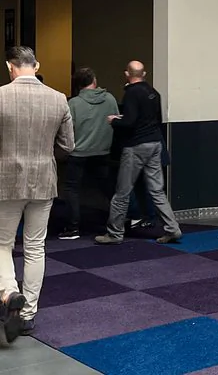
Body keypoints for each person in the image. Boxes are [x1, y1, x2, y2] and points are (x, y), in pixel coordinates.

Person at [0, 47, 74, 341]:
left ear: (10, 67)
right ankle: (28, 314)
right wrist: (45, 158)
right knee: (35, 247)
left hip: (6, 181)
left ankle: (9, 293)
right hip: (44, 180)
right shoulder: (58, 99)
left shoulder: (1, 96)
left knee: (3, 243)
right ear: (37, 65)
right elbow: (68, 146)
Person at [95, 61, 181, 245]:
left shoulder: (131, 93)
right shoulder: (153, 93)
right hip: (155, 143)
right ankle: (172, 228)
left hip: (136, 146)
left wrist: (114, 121)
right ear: (144, 73)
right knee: (157, 190)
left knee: (122, 192)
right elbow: (154, 119)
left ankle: (115, 233)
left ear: (127, 74)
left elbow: (130, 122)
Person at [59, 68, 120, 240]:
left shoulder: (73, 104)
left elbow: (67, 129)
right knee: (108, 187)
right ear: (94, 80)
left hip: (78, 152)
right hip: (103, 151)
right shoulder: (110, 99)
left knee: (72, 189)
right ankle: (119, 220)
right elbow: (117, 122)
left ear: (78, 84)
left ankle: (73, 227)